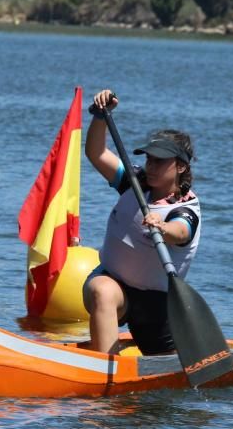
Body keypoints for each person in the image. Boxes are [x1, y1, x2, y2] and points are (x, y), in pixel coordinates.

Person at [82, 88, 201, 354]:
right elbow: (96, 153)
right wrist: (101, 116)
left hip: (156, 305)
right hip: (114, 286)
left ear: (180, 167)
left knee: (168, 365)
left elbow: (181, 232)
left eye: (160, 161)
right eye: (149, 159)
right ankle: (103, 370)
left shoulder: (186, 208)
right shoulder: (133, 183)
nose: (150, 166)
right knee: (102, 290)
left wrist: (163, 227)